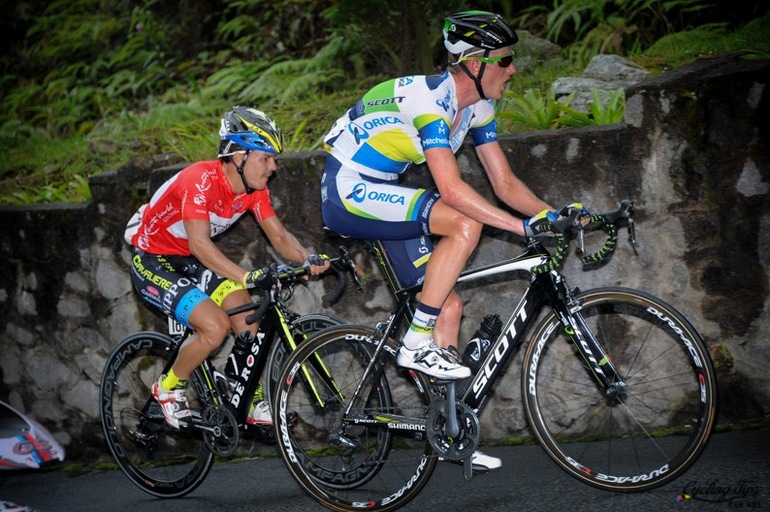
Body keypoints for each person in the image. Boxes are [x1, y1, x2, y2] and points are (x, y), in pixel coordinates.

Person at [320, 11, 565, 470]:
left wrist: (552, 215)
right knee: (462, 223)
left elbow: (505, 184)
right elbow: (452, 192)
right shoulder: (430, 102)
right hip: (348, 189)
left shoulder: (476, 108)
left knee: (448, 307)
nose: (513, 69)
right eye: (505, 59)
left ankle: (450, 431)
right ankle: (415, 341)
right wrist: (520, 228)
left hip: (385, 191)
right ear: (474, 61)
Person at [126, 106, 330, 430]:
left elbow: (278, 235)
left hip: (190, 262)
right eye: (265, 158)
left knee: (248, 317)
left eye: (273, 158)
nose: (273, 167)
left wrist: (307, 258)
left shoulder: (255, 191)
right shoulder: (201, 180)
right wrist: (246, 276)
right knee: (215, 326)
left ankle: (249, 398)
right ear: (238, 155)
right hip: (155, 260)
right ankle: (166, 389)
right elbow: (200, 245)